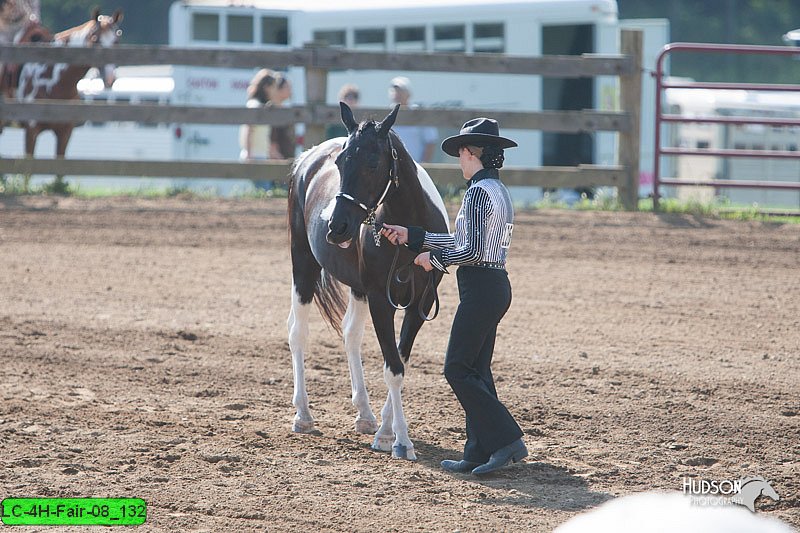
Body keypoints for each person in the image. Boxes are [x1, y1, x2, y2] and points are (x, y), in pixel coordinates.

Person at [381, 118, 527, 476]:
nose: (458, 161)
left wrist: (434, 259)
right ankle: (478, 451)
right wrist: (414, 236)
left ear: (469, 152)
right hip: (493, 285)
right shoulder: (497, 190)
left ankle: (507, 440)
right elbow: (466, 244)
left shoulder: (477, 193)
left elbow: (470, 250)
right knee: (476, 370)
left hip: (480, 286)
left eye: (460, 154)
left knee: (457, 369)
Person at [388, 76, 437, 163]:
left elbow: (430, 141)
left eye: (401, 91)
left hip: (415, 167)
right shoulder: (385, 114)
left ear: (408, 94)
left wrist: (424, 165)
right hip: (391, 167)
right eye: (395, 91)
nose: (397, 94)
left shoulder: (418, 114)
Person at [239, 68, 279, 161]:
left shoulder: (261, 106)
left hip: (260, 155)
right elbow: (248, 131)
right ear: (266, 87)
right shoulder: (255, 105)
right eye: (273, 87)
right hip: (254, 156)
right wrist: (249, 155)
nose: (275, 91)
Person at [268, 75, 295, 159]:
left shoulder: (284, 110)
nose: (290, 90)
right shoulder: (272, 110)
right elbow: (272, 140)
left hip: (287, 157)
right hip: (278, 160)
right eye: (287, 87)